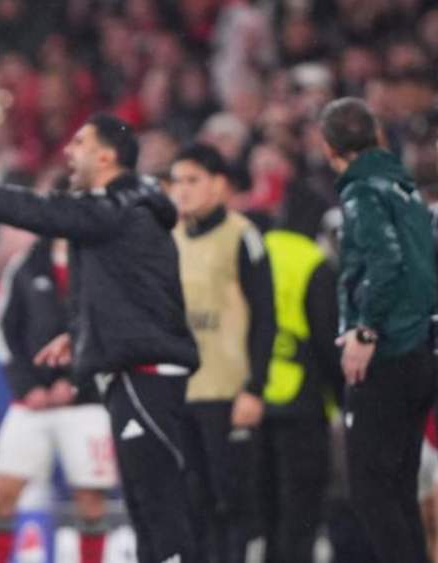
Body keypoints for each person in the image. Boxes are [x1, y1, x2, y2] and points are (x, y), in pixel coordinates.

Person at [0, 113, 201, 563]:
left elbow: (33, 209)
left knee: (158, 507)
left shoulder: (116, 208)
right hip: (131, 374)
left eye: (80, 143)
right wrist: (79, 334)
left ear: (106, 156)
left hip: (146, 374)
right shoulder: (127, 214)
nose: (68, 151)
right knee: (146, 507)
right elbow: (133, 292)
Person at [319, 97, 438, 563]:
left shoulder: (362, 192)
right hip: (421, 352)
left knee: (371, 491)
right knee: (399, 489)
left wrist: (366, 331)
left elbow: (385, 262)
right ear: (379, 137)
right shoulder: (406, 189)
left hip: (389, 352)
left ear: (328, 148)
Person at [168, 143, 275, 563]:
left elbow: (265, 315)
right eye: (176, 181)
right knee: (192, 501)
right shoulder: (171, 239)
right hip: (182, 392)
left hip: (228, 392)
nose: (181, 190)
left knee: (233, 500)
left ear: (219, 185)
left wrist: (255, 387)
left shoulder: (242, 235)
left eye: (192, 180)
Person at [0, 234, 117, 563]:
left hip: (87, 403)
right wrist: (27, 387)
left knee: (90, 498)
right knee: (1, 493)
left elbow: (113, 329)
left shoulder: (102, 261)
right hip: (32, 403)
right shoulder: (26, 263)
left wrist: (78, 383)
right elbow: (4, 329)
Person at [259, 220, 340, 563]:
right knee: (301, 513)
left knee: (266, 514)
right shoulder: (313, 261)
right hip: (302, 402)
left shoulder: (257, 250)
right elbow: (327, 341)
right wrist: (342, 400)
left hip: (253, 399)